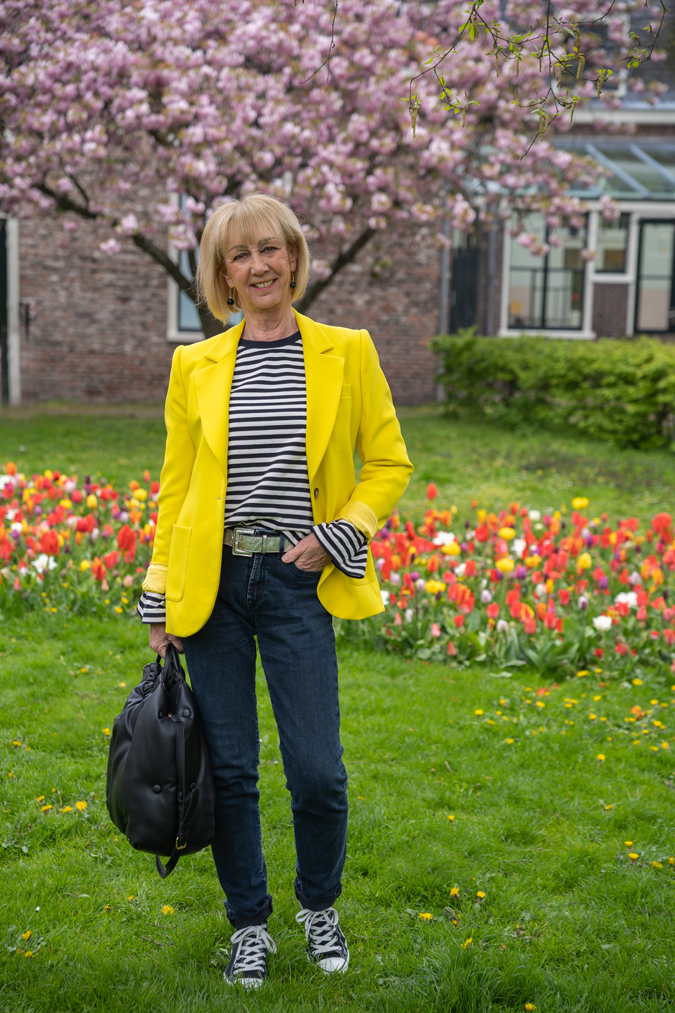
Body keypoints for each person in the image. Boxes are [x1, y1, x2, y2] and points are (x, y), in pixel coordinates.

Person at [137, 192, 412, 988]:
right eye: (239, 256)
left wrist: (343, 530)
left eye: (269, 248)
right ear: (222, 276)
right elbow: (175, 489)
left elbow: (388, 462)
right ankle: (248, 921)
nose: (258, 266)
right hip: (213, 582)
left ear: (293, 254)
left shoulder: (345, 351)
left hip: (297, 584)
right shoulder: (194, 365)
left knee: (317, 769)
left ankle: (318, 905)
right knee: (227, 768)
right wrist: (159, 596)